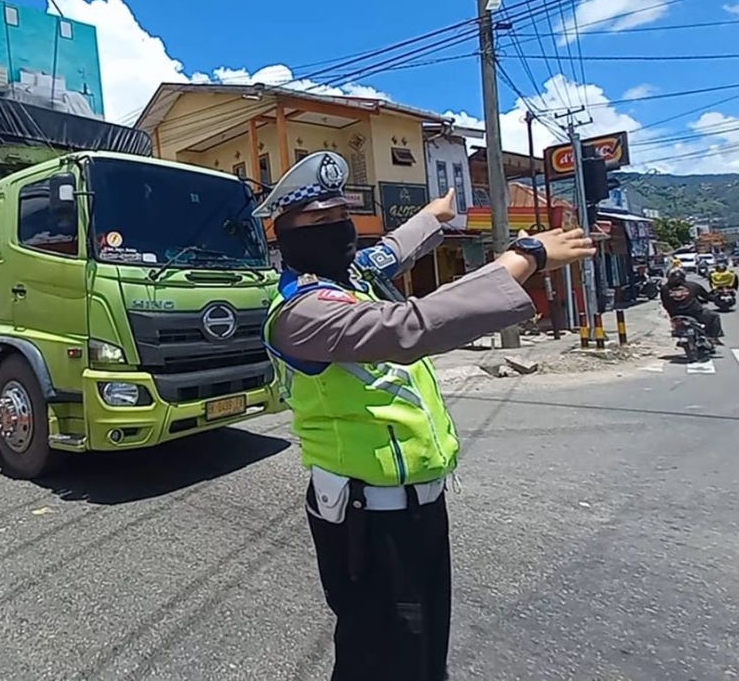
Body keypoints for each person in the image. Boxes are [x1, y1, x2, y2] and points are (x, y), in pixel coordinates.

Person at [256, 151, 596, 681]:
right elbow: (408, 327)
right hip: (365, 518)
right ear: (285, 237)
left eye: (342, 215)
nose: (339, 228)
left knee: (422, 651)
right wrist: (523, 256)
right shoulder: (303, 312)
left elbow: (392, 248)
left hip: (417, 509)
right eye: (320, 221)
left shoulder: (353, 277)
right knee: (382, 657)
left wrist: (437, 213)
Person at [662, 267, 723, 343]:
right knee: (714, 316)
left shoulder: (664, 288)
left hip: (675, 314)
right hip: (695, 313)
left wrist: (671, 313)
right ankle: (712, 337)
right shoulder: (693, 285)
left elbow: (664, 303)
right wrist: (717, 299)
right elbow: (707, 296)